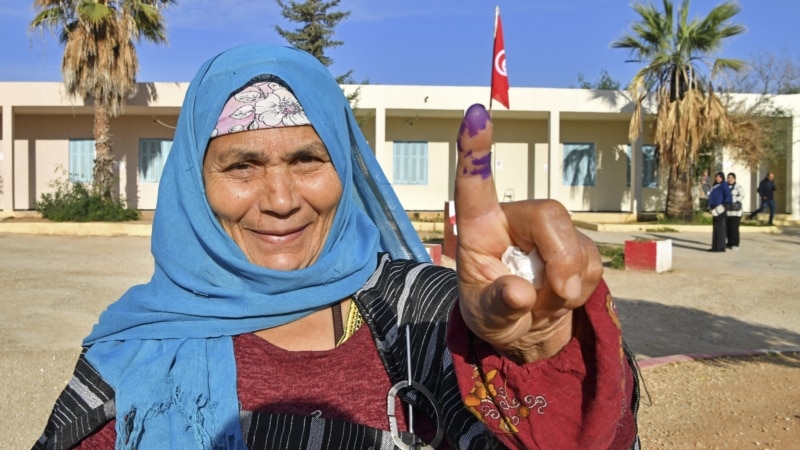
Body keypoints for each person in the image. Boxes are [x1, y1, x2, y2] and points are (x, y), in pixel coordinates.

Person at [32, 44, 639, 449]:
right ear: (195, 185)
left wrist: (539, 354)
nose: (279, 199)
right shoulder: (141, 350)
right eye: (242, 166)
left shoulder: (429, 318)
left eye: (307, 160)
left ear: (345, 170)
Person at [707, 171, 732, 252]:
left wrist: (725, 205)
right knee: (716, 227)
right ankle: (715, 246)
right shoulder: (715, 186)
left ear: (722, 178)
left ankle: (720, 247)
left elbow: (728, 195)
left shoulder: (724, 185)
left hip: (721, 208)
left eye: (719, 177)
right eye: (716, 177)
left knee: (721, 228)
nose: (717, 178)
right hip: (715, 208)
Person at [725, 173, 744, 250]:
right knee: (727, 228)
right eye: (728, 178)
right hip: (727, 211)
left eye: (731, 178)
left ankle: (735, 244)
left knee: (734, 228)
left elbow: (742, 196)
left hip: (736, 212)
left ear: (734, 179)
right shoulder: (725, 186)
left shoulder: (738, 187)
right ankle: (729, 242)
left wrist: (734, 199)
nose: (730, 179)